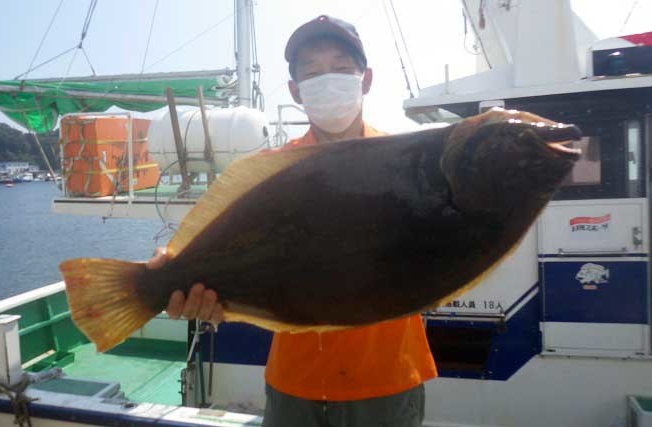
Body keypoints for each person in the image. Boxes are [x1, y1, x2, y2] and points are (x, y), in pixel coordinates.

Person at [148, 15, 437, 427]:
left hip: (387, 384)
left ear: (366, 79)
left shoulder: (406, 166)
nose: (328, 80)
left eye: (341, 68)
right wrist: (172, 268)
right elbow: (210, 248)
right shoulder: (269, 172)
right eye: (313, 73)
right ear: (295, 91)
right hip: (293, 387)